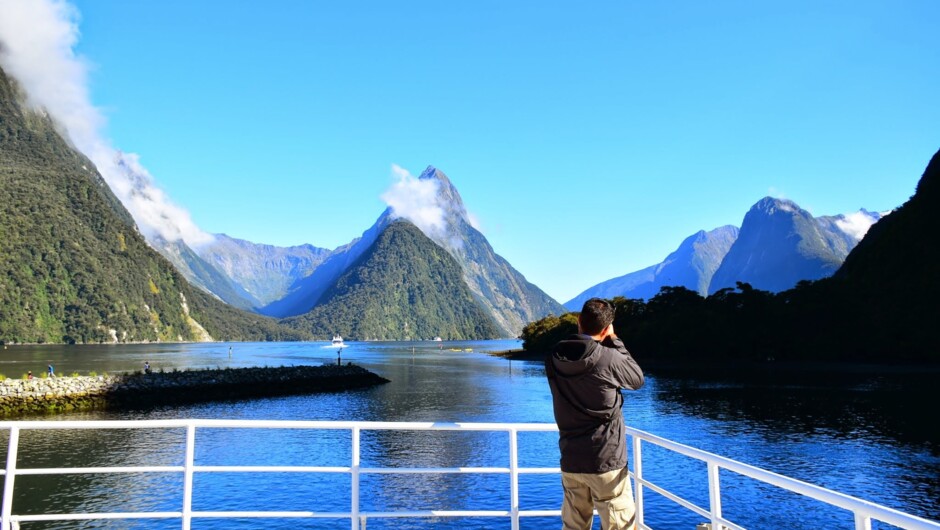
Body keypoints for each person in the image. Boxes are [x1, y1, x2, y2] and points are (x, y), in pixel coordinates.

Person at [545, 298, 645, 530]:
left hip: (571, 457)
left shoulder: (553, 357)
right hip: (606, 459)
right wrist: (615, 341)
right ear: (606, 328)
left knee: (574, 526)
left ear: (578, 321)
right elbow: (636, 379)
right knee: (618, 526)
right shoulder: (608, 358)